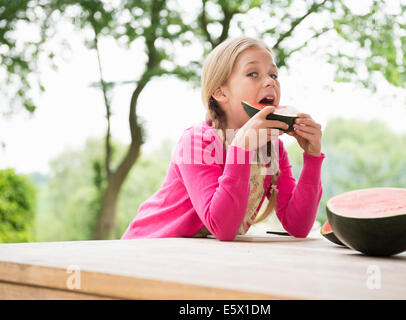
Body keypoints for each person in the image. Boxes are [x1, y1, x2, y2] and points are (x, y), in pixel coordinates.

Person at [121, 37, 325, 241]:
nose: (270, 81)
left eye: (273, 74)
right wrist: (241, 149)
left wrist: (312, 158)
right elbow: (223, 229)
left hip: (193, 257)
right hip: (146, 248)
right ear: (220, 92)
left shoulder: (271, 149)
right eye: (253, 74)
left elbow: (298, 226)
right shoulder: (196, 142)